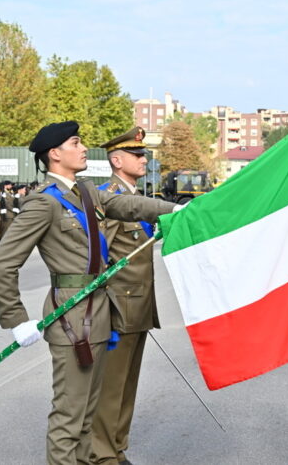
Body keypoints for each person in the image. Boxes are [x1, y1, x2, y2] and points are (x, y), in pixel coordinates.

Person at [0, 121, 177, 465]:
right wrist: (16, 319)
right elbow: (2, 264)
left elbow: (129, 206)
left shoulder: (86, 192)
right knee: (69, 417)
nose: (84, 148)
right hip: (71, 317)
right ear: (55, 154)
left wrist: (178, 210)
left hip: (100, 312)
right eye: (75, 143)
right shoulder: (44, 202)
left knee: (88, 417)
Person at [90, 127, 160, 465]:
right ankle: (101, 453)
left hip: (139, 305)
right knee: (111, 385)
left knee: (128, 382)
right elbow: (98, 257)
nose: (144, 160)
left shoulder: (134, 196)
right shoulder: (111, 199)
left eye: (143, 154)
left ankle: (117, 447)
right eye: (137, 155)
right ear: (117, 161)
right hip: (119, 307)